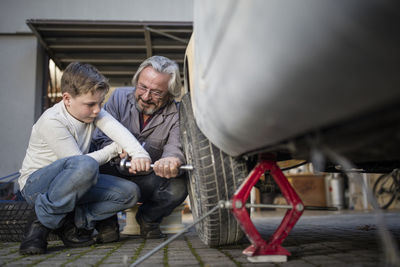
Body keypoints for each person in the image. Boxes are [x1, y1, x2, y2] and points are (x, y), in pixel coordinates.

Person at [18, 62, 151, 255]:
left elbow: (120, 132)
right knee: (85, 165)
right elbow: (79, 163)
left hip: (75, 184)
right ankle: (39, 226)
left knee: (130, 193)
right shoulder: (52, 121)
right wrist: (114, 150)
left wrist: (140, 154)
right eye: (90, 104)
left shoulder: (92, 112)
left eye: (100, 103)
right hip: (36, 186)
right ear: (67, 99)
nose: (97, 110)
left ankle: (74, 223)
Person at [92, 55, 188, 239]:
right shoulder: (119, 97)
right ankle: (107, 224)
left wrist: (171, 160)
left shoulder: (176, 113)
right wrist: (121, 150)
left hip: (147, 179)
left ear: (170, 93)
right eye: (143, 87)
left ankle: (148, 219)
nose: (146, 97)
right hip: (113, 173)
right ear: (136, 81)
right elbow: (100, 138)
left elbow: (175, 146)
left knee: (179, 185)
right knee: (90, 166)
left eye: (156, 92)